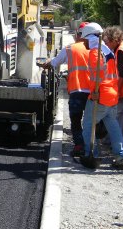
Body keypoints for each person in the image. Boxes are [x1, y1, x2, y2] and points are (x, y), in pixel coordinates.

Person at [79, 22, 123, 170]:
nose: (84, 43)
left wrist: (95, 92)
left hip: (100, 97)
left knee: (87, 125)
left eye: (85, 40)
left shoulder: (96, 51)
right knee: (113, 127)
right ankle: (120, 157)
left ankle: (90, 154)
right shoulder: (108, 50)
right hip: (112, 96)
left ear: (89, 38)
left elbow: (97, 74)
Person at [38, 22, 90, 156]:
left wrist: (46, 63)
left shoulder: (69, 48)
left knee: (76, 119)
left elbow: (54, 62)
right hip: (94, 92)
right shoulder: (99, 48)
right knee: (91, 121)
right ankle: (91, 147)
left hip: (77, 90)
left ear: (78, 35)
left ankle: (79, 146)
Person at [102, 26, 123, 144]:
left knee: (119, 115)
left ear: (115, 39)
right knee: (122, 115)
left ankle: (120, 142)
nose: (106, 45)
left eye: (107, 42)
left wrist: (117, 90)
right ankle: (120, 141)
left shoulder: (121, 51)